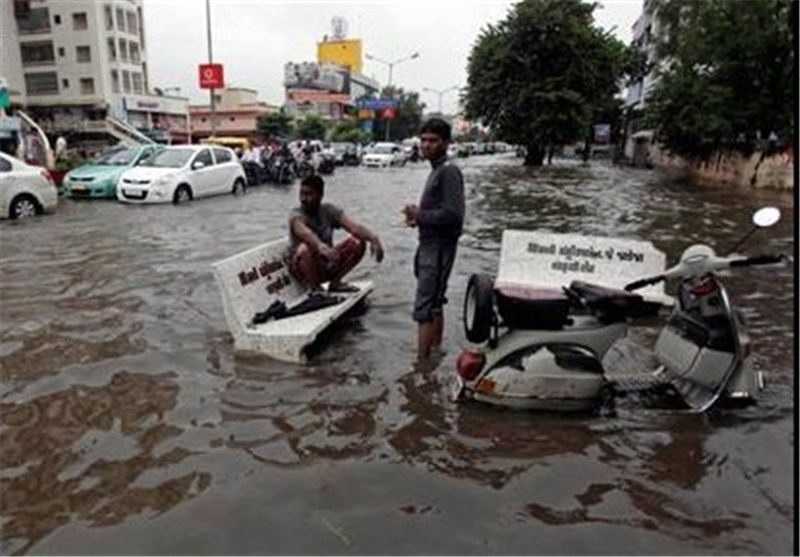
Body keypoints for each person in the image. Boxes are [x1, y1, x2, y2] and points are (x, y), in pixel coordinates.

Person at [402, 118, 465, 361]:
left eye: (433, 141)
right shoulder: (437, 170)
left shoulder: (448, 171)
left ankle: (421, 366)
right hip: (430, 245)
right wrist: (418, 218)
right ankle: (435, 356)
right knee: (435, 303)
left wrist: (420, 214)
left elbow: (453, 214)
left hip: (438, 248)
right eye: (424, 140)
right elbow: (440, 213)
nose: (427, 145)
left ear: (446, 143)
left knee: (425, 308)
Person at [289, 174, 384, 292]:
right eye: (301, 194)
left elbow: (354, 227)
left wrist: (374, 238)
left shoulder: (329, 210)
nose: (303, 199)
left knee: (358, 240)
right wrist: (320, 246)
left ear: (320, 195)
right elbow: (305, 233)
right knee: (305, 248)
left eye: (309, 194)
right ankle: (315, 290)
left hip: (326, 264)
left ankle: (335, 283)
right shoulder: (296, 215)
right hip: (304, 270)